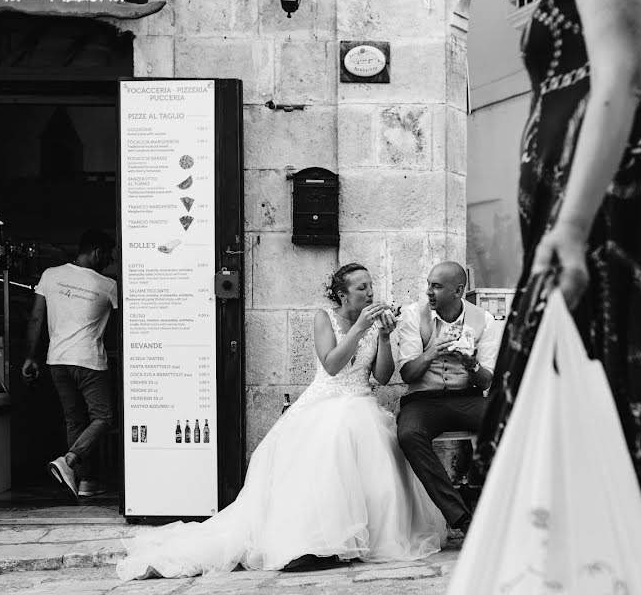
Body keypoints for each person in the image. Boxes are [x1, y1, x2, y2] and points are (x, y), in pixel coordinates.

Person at [476, 0, 641, 505]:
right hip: (604, 218)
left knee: (561, 474)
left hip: (617, 227)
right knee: (565, 479)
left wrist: (571, 226)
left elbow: (622, 76)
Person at [115, 263, 445, 580]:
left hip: (362, 401)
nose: (371, 293)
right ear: (343, 295)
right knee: (334, 437)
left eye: (371, 286)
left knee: (367, 438)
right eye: (363, 288)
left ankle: (360, 538)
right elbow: (331, 365)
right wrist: (359, 327)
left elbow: (382, 377)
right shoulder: (324, 318)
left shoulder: (376, 325)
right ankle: (315, 543)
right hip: (325, 402)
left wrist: (385, 337)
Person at [395, 261, 500, 534]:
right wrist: (432, 352)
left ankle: (493, 501)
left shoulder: (484, 320)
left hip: (467, 396)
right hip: (423, 399)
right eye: (429, 284)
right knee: (409, 435)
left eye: (437, 286)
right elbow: (407, 374)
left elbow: (487, 379)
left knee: (505, 422)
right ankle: (461, 517)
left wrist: (471, 364)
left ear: (458, 290)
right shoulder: (412, 315)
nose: (429, 292)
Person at [22, 228, 119, 499]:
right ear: (98, 252)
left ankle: (85, 481)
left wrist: (30, 356)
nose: (109, 262)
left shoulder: (50, 275)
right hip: (89, 360)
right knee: (102, 418)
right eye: (108, 257)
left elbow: (36, 319)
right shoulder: (108, 285)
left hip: (57, 360)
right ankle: (71, 460)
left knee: (74, 420)